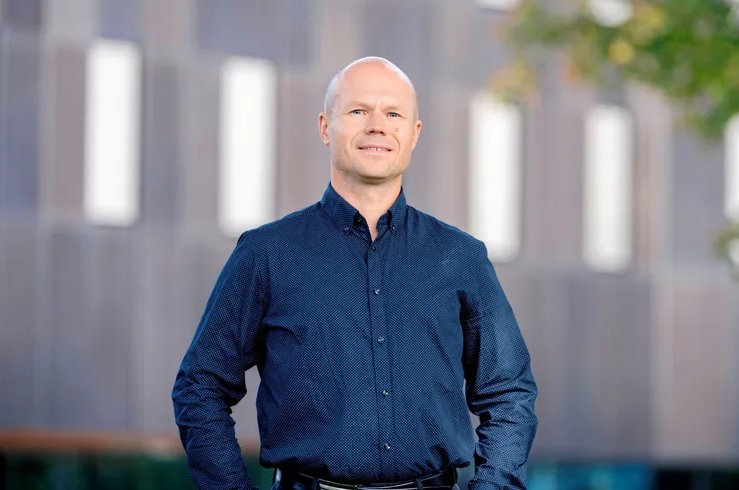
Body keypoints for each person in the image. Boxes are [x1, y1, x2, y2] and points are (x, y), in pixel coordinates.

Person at [172, 56, 538, 490]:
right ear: (326, 126)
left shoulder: (461, 257)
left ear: (414, 134)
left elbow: (509, 393)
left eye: (394, 113)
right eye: (359, 111)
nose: (377, 125)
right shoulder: (266, 254)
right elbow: (200, 387)